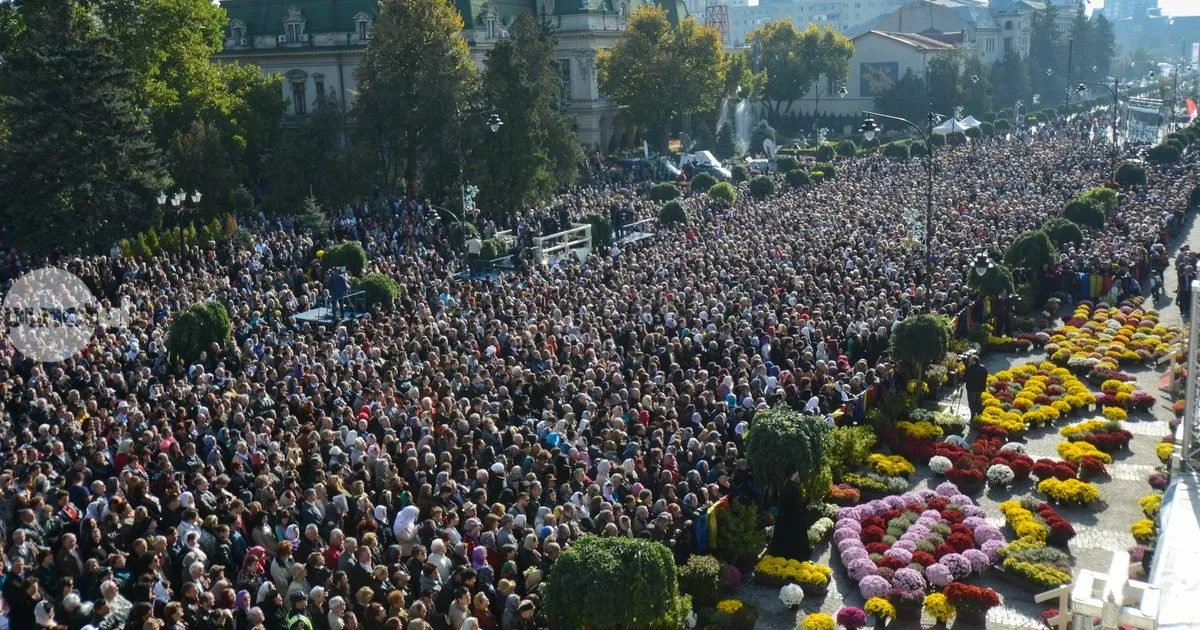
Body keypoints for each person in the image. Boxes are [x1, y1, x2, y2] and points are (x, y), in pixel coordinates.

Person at [964, 355, 989, 420]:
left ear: (974, 361)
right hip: (980, 388)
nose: (969, 362)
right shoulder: (983, 368)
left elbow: (965, 378)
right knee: (978, 401)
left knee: (972, 402)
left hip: (971, 389)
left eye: (970, 361)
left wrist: (968, 368)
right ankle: (979, 415)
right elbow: (986, 377)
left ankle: (973, 416)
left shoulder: (971, 369)